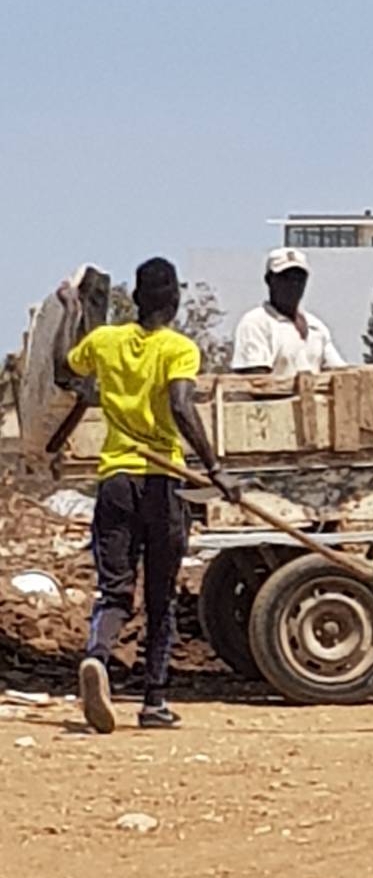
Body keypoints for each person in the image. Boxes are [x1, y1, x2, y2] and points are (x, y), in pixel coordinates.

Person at [54, 257, 240, 733]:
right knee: (162, 594)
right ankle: (154, 700)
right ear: (174, 299)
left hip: (117, 479)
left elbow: (62, 367)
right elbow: (180, 405)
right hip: (162, 483)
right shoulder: (179, 349)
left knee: (114, 589)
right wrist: (215, 469)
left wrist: (71, 310)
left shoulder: (104, 341)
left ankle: (97, 656)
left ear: (135, 299)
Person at [232, 247, 345, 377]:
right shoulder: (256, 323)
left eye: (299, 278)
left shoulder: (316, 327)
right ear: (269, 280)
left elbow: (339, 372)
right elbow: (256, 381)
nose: (293, 284)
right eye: (286, 278)